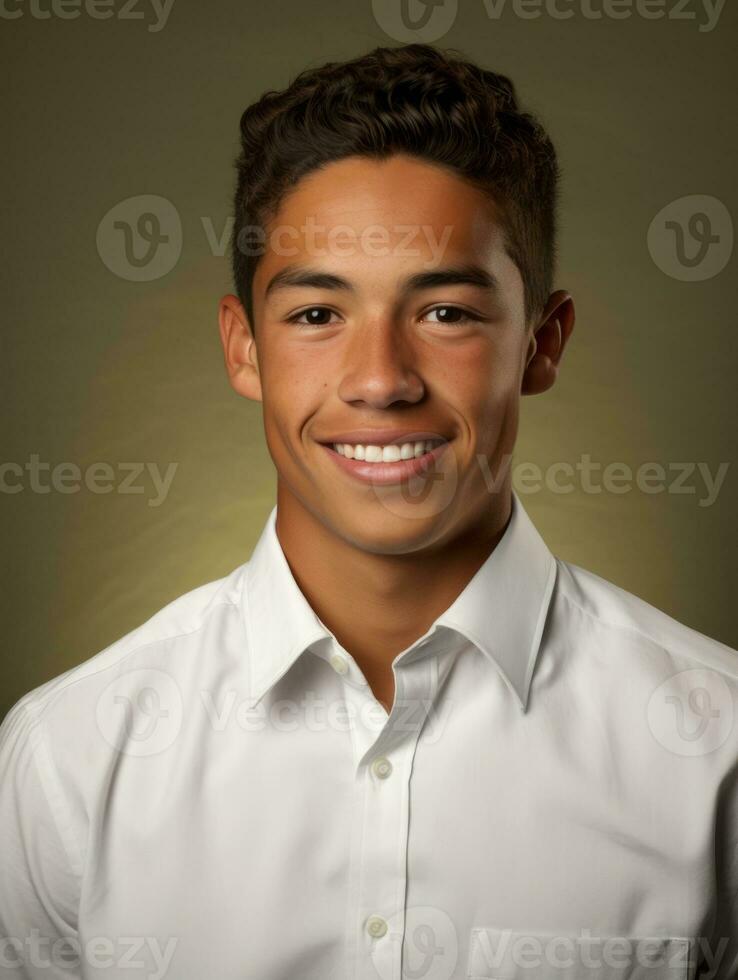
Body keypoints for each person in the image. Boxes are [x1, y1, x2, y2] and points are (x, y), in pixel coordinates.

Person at [1, 43, 735, 980]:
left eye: (446, 314)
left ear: (541, 346)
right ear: (244, 348)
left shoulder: (717, 759)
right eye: (316, 315)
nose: (382, 381)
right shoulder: (66, 762)